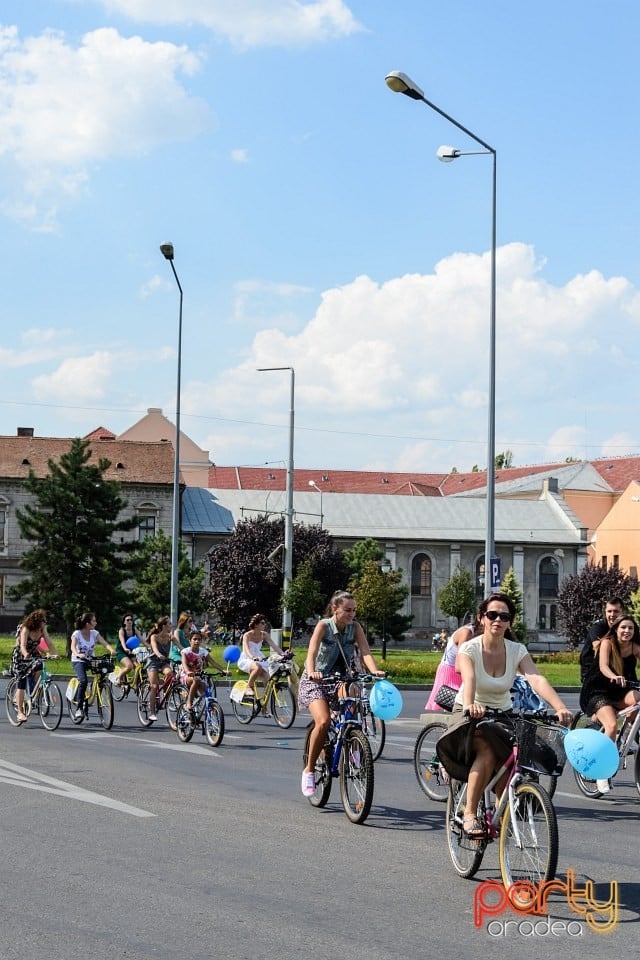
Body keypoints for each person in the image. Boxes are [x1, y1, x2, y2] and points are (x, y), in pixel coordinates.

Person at [436, 593, 572, 839]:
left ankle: (501, 812)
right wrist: (470, 705)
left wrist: (559, 706)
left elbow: (536, 678)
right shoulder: (470, 648)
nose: (497, 620)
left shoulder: (516, 649)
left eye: (504, 616)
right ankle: (469, 814)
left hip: (502, 713)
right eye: (492, 615)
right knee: (487, 751)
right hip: (470, 711)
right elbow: (470, 679)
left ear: (510, 622)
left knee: (513, 758)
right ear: (482, 618)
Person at [298, 591, 385, 798]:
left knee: (354, 701)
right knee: (324, 721)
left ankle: (353, 745)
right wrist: (312, 672)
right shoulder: (323, 626)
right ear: (335, 608)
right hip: (317, 679)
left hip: (341, 678)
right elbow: (311, 652)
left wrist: (374, 671)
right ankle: (309, 770)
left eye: (354, 610)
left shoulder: (355, 628)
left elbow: (365, 652)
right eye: (347, 610)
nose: (351, 614)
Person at [579, 614, 640, 793]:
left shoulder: (635, 647)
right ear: (616, 629)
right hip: (599, 690)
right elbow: (604, 666)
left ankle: (629, 734)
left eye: (630, 628)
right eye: (623, 627)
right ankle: (602, 773)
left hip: (622, 690)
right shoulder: (608, 643)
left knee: (637, 698)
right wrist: (614, 676)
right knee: (611, 725)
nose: (627, 631)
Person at [11, 609, 59, 723]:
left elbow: (49, 642)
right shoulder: (25, 628)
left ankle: (33, 688)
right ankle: (20, 713)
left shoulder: (42, 629)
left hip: (33, 653)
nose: (45, 623)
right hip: (21, 656)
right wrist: (25, 654)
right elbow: (22, 645)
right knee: (21, 683)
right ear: (37, 621)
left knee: (40, 666)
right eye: (44, 620)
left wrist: (54, 653)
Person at [425, 615, 480, 711]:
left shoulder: (472, 632)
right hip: (451, 669)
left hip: (452, 667)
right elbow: (461, 656)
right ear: (480, 618)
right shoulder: (466, 632)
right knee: (455, 702)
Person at [70, 613, 116, 720]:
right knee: (83, 681)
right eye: (94, 621)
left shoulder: (94, 633)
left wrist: (111, 650)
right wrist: (77, 654)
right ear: (87, 624)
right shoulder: (77, 633)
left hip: (91, 660)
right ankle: (79, 708)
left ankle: (96, 690)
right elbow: (72, 646)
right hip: (78, 660)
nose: (96, 623)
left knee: (103, 672)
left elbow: (104, 643)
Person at [237, 614, 285, 698]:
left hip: (259, 658)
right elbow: (246, 649)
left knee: (268, 682)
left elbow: (275, 646)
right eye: (262, 623)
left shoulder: (264, 634)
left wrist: (284, 655)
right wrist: (253, 658)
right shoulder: (247, 635)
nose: (264, 625)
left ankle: (264, 707)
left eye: (264, 623)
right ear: (256, 625)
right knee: (257, 667)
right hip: (247, 658)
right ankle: (248, 687)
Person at [579, 596, 626, 682]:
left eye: (616, 611)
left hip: (616, 670)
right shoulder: (598, 627)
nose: (612, 615)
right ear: (605, 612)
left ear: (622, 612)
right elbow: (598, 648)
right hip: (592, 671)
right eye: (609, 611)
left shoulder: (626, 628)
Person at [179, 631, 226, 711]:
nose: (197, 641)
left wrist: (224, 670)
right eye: (194, 639)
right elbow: (184, 663)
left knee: (205, 688)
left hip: (199, 676)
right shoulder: (185, 651)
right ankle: (189, 703)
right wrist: (187, 672)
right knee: (196, 680)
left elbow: (213, 663)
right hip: (186, 676)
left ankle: (209, 706)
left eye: (199, 639)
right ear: (190, 641)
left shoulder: (203, 651)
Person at [147, 616, 174, 721]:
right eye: (170, 624)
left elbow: (181, 648)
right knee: (154, 686)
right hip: (153, 661)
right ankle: (152, 712)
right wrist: (158, 654)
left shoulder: (171, 637)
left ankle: (165, 695)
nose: (171, 626)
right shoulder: (154, 636)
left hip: (164, 662)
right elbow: (154, 648)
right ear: (164, 626)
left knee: (170, 674)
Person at [113, 613, 143, 687]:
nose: (130, 621)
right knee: (129, 666)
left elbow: (142, 639)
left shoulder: (134, 630)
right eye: (128, 620)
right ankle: (118, 678)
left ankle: (137, 684)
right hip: (121, 652)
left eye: (131, 620)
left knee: (138, 667)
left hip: (131, 652)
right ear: (124, 622)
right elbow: (122, 641)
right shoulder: (122, 630)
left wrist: (149, 646)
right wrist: (125, 648)